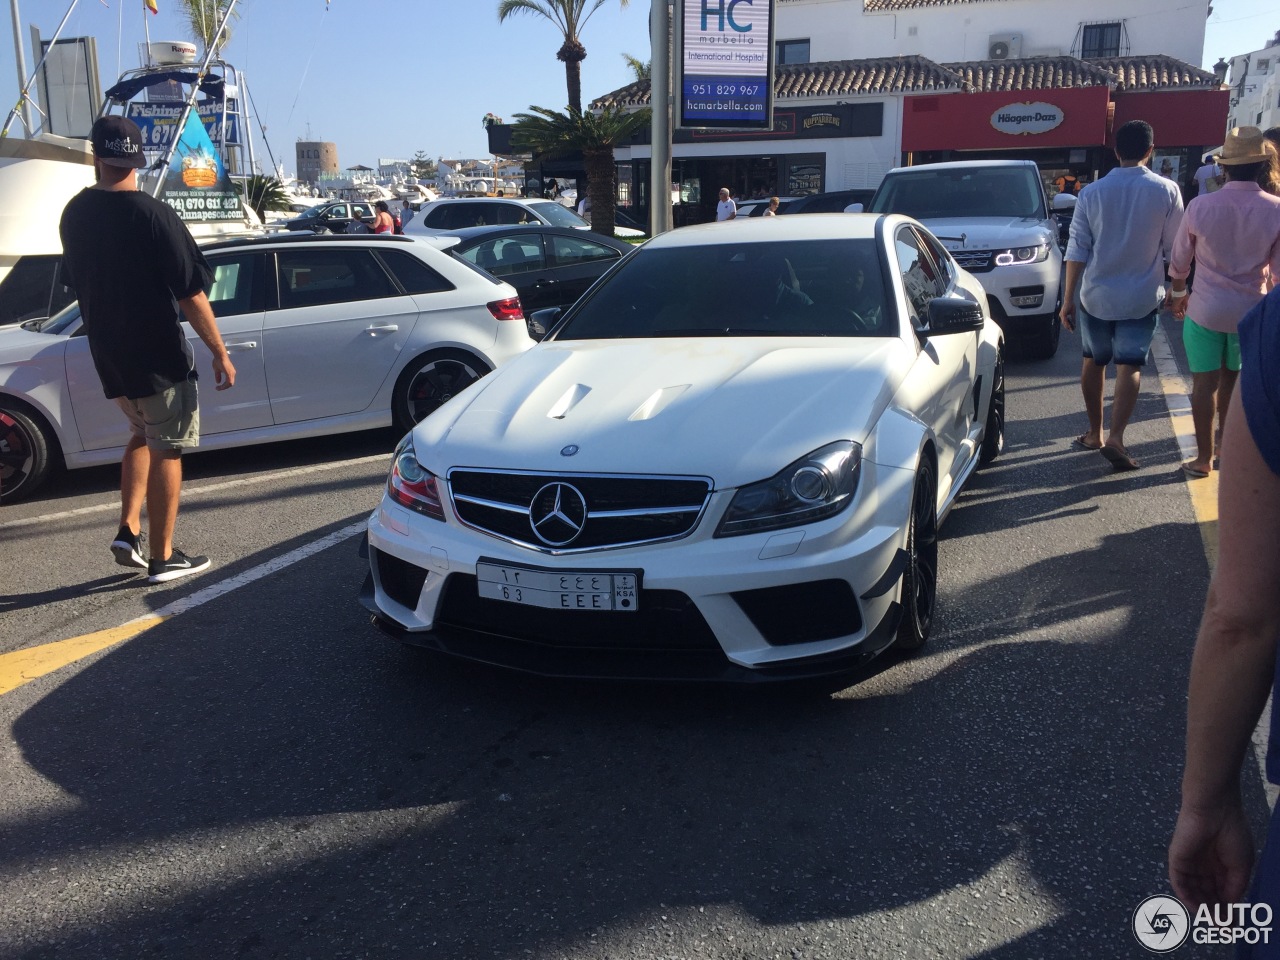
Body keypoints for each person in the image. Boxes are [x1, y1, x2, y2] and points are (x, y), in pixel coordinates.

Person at [58, 116, 235, 583]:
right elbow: (191, 293)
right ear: (138, 158)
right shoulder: (154, 215)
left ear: (95, 156)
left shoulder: (74, 213)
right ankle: (163, 556)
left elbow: (77, 282)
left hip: (110, 358)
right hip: (157, 357)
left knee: (141, 432)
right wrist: (220, 351)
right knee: (168, 447)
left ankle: (128, 530)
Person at [1168, 285, 1280, 941]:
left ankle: (1208, 453)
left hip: (1220, 316)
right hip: (1244, 321)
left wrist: (1205, 801)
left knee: (1213, 385)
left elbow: (1242, 616)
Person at [1059, 119, 1183, 472]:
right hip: (1142, 295)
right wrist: (1177, 291)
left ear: (1115, 151)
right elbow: (1176, 249)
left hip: (1096, 294)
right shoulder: (1167, 191)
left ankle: (1094, 433)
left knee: (1093, 361)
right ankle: (1116, 437)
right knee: (1129, 365)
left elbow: (1077, 248)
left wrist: (1068, 298)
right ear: (1150, 152)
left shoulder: (1092, 192)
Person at [1168, 127, 1280, 479]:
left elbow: (1180, 261)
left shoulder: (1201, 206)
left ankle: (1203, 458)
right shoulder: (1276, 210)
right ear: (1262, 165)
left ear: (1224, 167)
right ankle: (1225, 450)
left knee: (1203, 385)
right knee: (1233, 380)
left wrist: (1178, 295)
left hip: (1206, 308)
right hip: (1252, 312)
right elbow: (1277, 274)